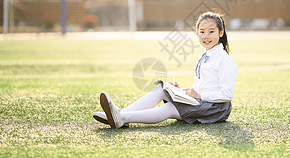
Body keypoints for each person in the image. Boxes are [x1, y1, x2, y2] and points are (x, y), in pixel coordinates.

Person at [93, 12, 237, 128]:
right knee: (163, 88)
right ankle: (118, 114)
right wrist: (184, 91)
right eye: (202, 32)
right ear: (197, 33)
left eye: (211, 31)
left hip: (216, 109)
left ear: (221, 32)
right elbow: (203, 86)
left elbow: (226, 94)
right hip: (202, 102)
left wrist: (199, 96)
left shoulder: (224, 60)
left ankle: (122, 117)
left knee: (170, 109)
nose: (206, 36)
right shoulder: (205, 56)